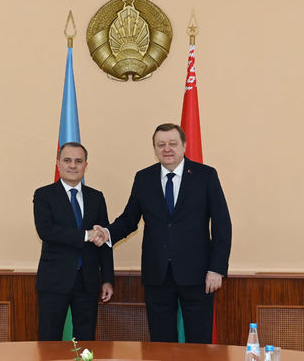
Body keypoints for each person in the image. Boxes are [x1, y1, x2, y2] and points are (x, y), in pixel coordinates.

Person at [92, 123, 232, 343]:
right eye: (161, 144)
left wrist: (216, 268)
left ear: (184, 146)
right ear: (155, 149)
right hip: (157, 275)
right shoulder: (143, 178)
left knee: (199, 343)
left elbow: (222, 225)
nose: (167, 149)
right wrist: (108, 233)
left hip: (198, 275)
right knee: (161, 343)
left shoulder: (206, 176)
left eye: (172, 143)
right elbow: (129, 219)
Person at [33, 142, 114, 341]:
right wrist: (86, 235)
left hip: (88, 282)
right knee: (49, 342)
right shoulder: (43, 195)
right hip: (54, 281)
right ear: (58, 163)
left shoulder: (96, 197)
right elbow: (46, 231)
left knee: (86, 343)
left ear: (85, 165)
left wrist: (107, 279)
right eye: (67, 160)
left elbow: (105, 240)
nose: (72, 165)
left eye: (78, 161)